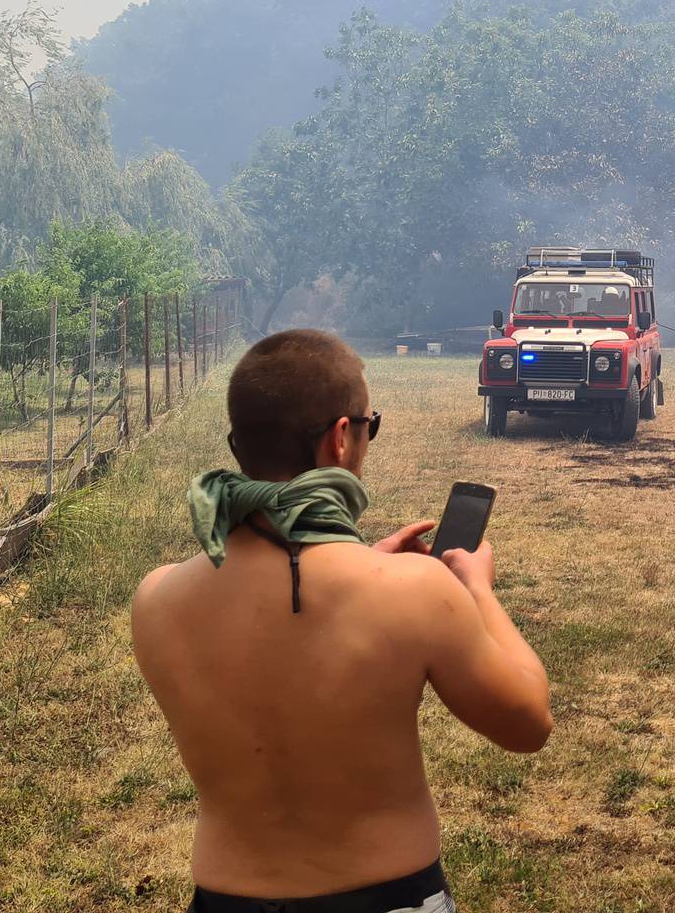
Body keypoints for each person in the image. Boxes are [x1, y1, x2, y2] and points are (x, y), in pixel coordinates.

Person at [132, 328, 552, 913]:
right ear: (338, 438)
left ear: (238, 445)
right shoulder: (417, 593)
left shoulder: (157, 599)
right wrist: (476, 590)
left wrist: (368, 566)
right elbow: (527, 723)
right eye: (367, 426)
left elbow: (276, 631)